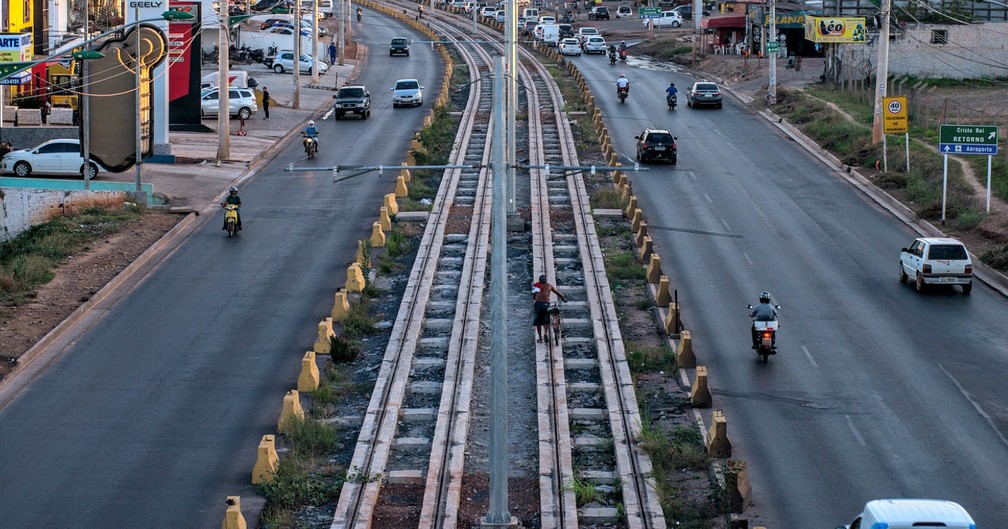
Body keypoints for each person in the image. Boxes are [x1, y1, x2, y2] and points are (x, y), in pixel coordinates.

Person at [532, 274, 567, 343]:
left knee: (538, 322)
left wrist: (536, 298)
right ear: (545, 280)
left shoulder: (536, 285)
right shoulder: (549, 285)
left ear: (539, 280)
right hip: (546, 304)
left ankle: (540, 339)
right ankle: (545, 333)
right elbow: (558, 293)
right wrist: (563, 298)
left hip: (538, 304)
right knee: (546, 320)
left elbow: (533, 294)